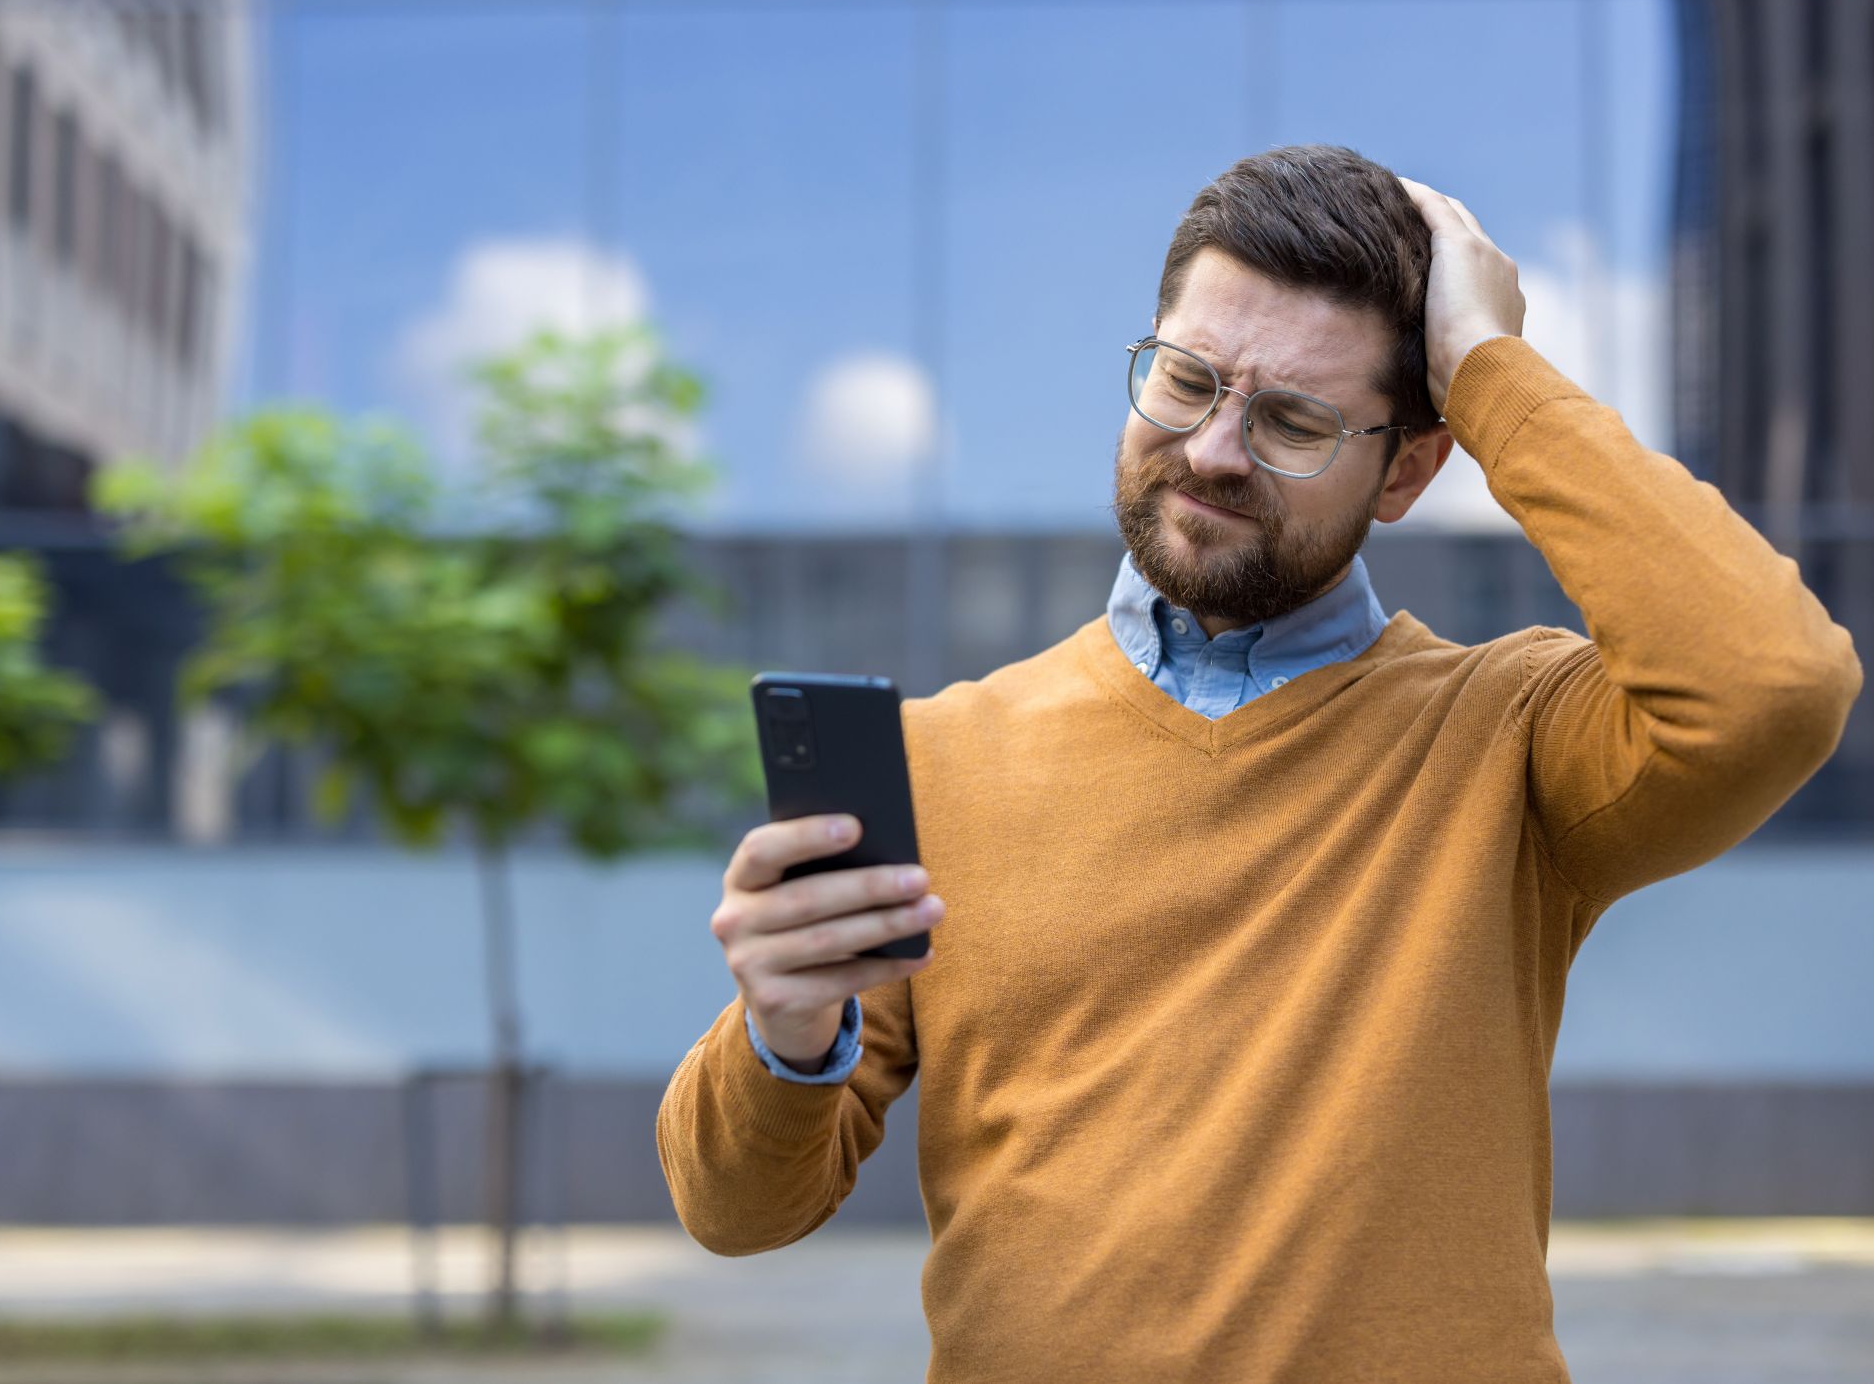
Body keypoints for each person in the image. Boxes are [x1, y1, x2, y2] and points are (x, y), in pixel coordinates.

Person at [654, 144, 1862, 1383]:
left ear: (1407, 468)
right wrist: (787, 1032)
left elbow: (1772, 684)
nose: (1215, 449)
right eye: (1185, 381)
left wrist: (1492, 374)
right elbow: (735, 1212)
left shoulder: (1510, 737)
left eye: (1292, 420)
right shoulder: (939, 757)